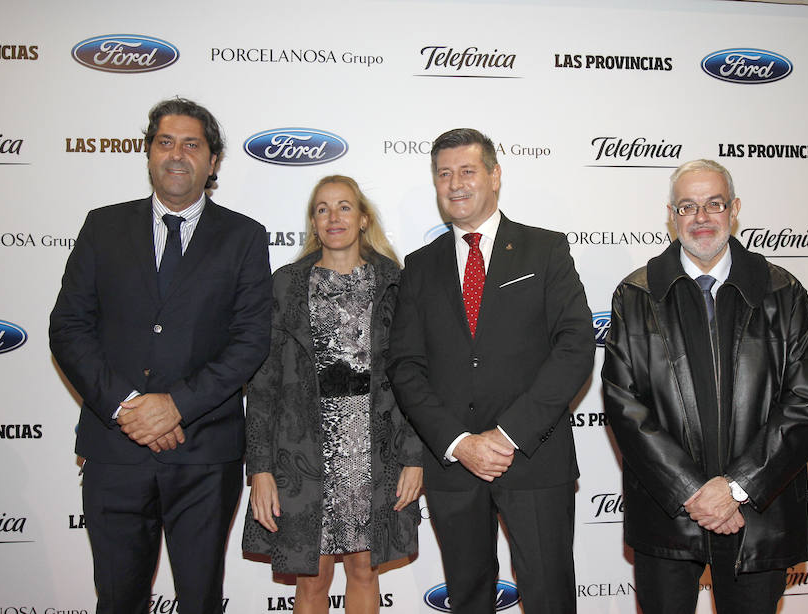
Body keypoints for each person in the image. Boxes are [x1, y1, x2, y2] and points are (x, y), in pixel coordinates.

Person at [49, 98, 272, 614]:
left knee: (199, 601)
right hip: (114, 450)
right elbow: (68, 328)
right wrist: (127, 406)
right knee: (118, 599)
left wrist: (176, 406)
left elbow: (250, 342)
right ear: (148, 152)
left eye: (192, 144)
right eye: (165, 142)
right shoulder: (102, 228)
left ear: (212, 161)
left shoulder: (244, 237)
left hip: (204, 455)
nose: (177, 155)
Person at [601, 159, 808, 614]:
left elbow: (807, 401)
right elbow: (625, 404)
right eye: (688, 206)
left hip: (757, 512)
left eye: (714, 203)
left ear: (734, 209)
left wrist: (736, 488)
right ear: (671, 214)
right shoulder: (636, 294)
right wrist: (692, 490)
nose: (701, 217)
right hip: (668, 512)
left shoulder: (782, 291)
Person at [386, 128, 594, 613]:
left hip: (534, 459)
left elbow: (576, 346)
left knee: (549, 598)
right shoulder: (420, 266)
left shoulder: (545, 250)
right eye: (444, 174)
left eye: (467, 171)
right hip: (454, 468)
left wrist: (507, 435)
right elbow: (405, 366)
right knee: (468, 597)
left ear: (495, 176)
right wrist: (460, 442)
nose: (455, 184)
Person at [243, 175, 423, 614]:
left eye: (344, 207)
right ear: (313, 222)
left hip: (375, 449)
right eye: (322, 209)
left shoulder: (395, 283)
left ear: (362, 218)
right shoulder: (285, 284)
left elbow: (417, 378)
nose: (333, 216)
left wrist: (414, 456)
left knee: (364, 570)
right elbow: (263, 383)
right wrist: (260, 469)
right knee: (312, 578)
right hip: (302, 450)